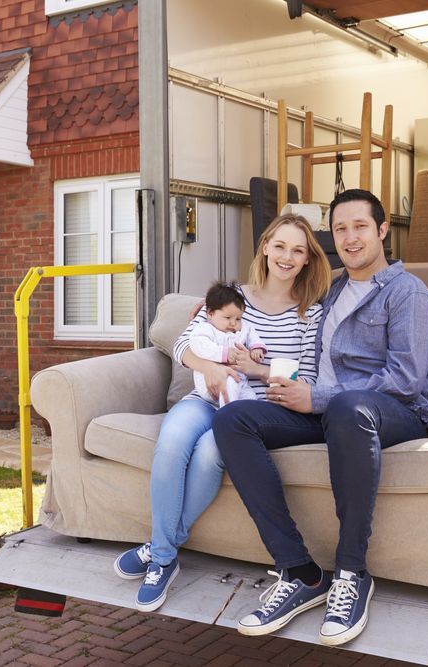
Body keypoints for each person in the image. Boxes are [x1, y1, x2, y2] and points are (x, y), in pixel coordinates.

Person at [212, 189, 428, 646]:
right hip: (333, 410)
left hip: (398, 413)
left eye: (360, 226)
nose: (350, 237)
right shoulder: (332, 288)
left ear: (382, 231)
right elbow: (270, 304)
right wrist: (216, 315)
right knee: (235, 420)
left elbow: (404, 380)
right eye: (340, 229)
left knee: (344, 406)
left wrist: (318, 398)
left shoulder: (406, 293)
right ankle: (300, 571)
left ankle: (352, 573)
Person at [113, 213, 331, 613]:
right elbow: (183, 346)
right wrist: (210, 367)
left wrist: (258, 369)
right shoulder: (229, 296)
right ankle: (164, 557)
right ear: (265, 247)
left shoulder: (309, 313)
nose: (287, 256)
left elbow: (309, 377)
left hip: (255, 408)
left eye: (298, 250)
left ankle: (159, 552)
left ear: (306, 260)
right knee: (172, 442)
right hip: (205, 395)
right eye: (280, 246)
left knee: (213, 452)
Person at [189, 281, 267, 407]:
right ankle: (226, 415)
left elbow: (252, 335)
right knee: (230, 386)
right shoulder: (205, 329)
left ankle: (240, 417)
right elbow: (198, 345)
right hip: (211, 383)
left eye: (238, 319)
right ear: (210, 314)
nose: (233, 323)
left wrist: (256, 348)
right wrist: (223, 354)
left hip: (240, 382)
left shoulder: (243, 329)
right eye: (227, 318)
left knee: (251, 398)